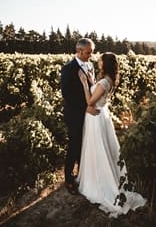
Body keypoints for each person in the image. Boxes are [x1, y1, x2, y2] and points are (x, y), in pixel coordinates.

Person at [76, 52, 147, 218]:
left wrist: (85, 84)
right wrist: (92, 80)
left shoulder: (104, 82)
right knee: (100, 148)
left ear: (105, 64)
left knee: (98, 149)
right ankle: (98, 176)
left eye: (100, 60)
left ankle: (100, 181)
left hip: (96, 117)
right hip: (99, 115)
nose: (98, 61)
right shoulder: (107, 80)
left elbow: (90, 102)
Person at [60, 38, 99, 195]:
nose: (91, 55)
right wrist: (85, 108)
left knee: (86, 144)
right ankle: (68, 179)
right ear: (79, 51)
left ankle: (82, 174)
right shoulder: (68, 68)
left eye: (92, 52)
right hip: (75, 114)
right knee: (74, 145)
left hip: (88, 112)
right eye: (88, 52)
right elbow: (67, 94)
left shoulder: (90, 65)